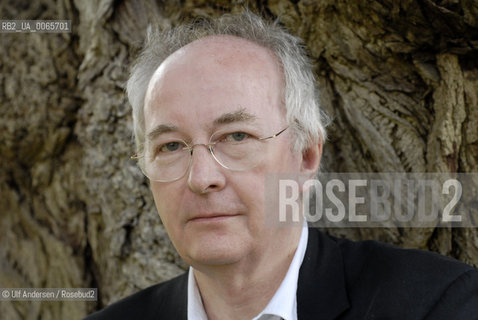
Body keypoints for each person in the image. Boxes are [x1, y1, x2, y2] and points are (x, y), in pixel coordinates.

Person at [86, 11, 478, 320]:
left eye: (237, 137)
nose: (202, 178)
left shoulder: (437, 304)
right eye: (170, 145)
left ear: (306, 155)